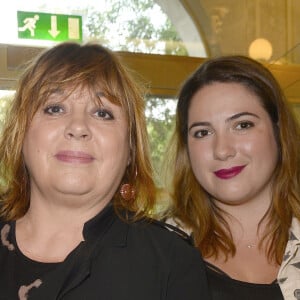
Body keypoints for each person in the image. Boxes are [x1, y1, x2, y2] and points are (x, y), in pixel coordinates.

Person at [0, 42, 210, 300]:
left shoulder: (172, 265)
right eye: (55, 108)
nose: (78, 127)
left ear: (131, 149)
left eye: (102, 113)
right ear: (20, 134)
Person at [166, 55, 300, 299]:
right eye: (203, 132)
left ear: (278, 131)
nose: (222, 150)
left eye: (242, 125)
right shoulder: (154, 251)